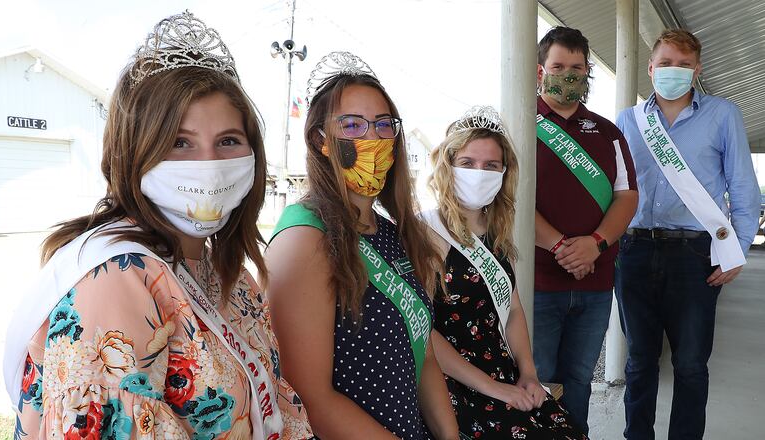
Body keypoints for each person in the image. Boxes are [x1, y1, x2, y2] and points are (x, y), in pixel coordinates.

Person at [2, 11, 312, 439]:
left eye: (228, 141)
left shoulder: (229, 273)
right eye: (179, 143)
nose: (209, 166)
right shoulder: (115, 280)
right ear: (135, 154)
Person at [264, 51, 458, 440]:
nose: (372, 138)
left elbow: (424, 357)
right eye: (352, 125)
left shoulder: (392, 233)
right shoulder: (304, 240)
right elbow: (310, 401)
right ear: (320, 139)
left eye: (384, 125)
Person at [615, 29, 760, 439]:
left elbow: (743, 188)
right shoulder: (629, 119)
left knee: (692, 364)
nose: (673, 71)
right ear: (650, 67)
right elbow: (613, 187)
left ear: (697, 69)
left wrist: (738, 250)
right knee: (639, 361)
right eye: (665, 63)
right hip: (635, 249)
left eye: (682, 64)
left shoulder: (723, 114)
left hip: (695, 253)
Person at [421, 105, 587, 439]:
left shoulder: (496, 233)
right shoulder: (424, 233)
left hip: (501, 370)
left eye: (490, 166)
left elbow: (512, 311)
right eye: (467, 163)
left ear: (503, 173)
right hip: (448, 381)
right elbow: (422, 330)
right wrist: (494, 389)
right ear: (447, 167)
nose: (478, 172)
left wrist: (527, 372)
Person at [532, 26, 639, 435]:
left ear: (588, 71)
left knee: (579, 382)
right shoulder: (518, 127)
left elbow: (627, 196)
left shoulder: (608, 133)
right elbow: (509, 201)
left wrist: (595, 243)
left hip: (595, 283)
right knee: (536, 379)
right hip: (536, 281)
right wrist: (561, 246)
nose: (568, 75)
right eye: (559, 66)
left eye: (577, 67)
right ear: (541, 71)